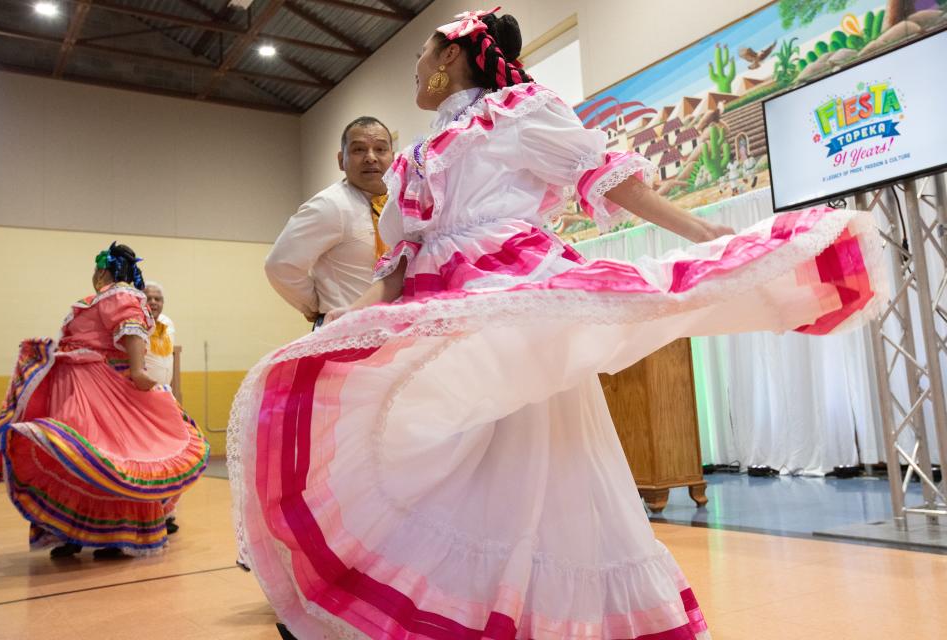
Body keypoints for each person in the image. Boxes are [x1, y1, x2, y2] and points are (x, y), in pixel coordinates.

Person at [228, 9, 882, 639]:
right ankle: (488, 611)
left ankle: (552, 616)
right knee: (451, 465)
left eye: (422, 53)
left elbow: (604, 177)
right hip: (445, 318)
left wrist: (699, 230)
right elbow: (398, 265)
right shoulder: (414, 160)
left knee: (538, 462)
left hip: (513, 299)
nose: (416, 67)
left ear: (450, 55)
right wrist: (350, 316)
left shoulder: (518, 111)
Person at [0, 243, 209, 558]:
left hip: (91, 387)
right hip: (90, 386)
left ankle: (88, 535)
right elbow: (124, 331)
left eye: (97, 271)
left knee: (86, 456)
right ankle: (92, 534)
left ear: (104, 271)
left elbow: (128, 331)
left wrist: (135, 370)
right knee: (97, 455)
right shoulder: (111, 298)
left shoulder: (104, 298)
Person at [265, 116, 394, 329]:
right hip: (345, 336)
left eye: (380, 149)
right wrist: (314, 306)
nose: (371, 157)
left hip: (394, 334)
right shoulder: (330, 205)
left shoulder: (400, 204)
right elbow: (280, 265)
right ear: (340, 160)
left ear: (393, 156)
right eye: (358, 150)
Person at [143, 281, 176, 387]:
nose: (153, 302)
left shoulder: (168, 323)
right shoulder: (135, 324)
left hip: (165, 389)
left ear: (163, 302)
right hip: (142, 391)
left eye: (157, 299)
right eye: (149, 299)